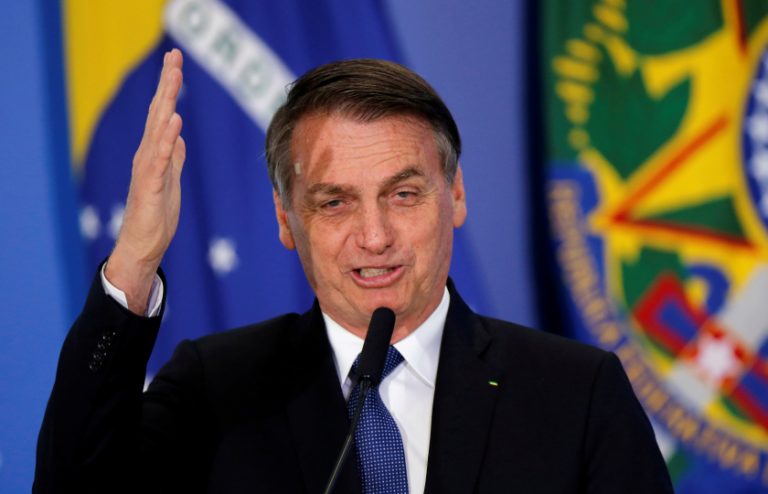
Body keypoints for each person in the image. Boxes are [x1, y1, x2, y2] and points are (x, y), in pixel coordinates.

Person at [34, 49, 674, 494]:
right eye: (335, 203)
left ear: (455, 195)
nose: (375, 236)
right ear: (286, 219)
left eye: (404, 194)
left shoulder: (577, 393)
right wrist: (136, 260)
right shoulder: (215, 389)